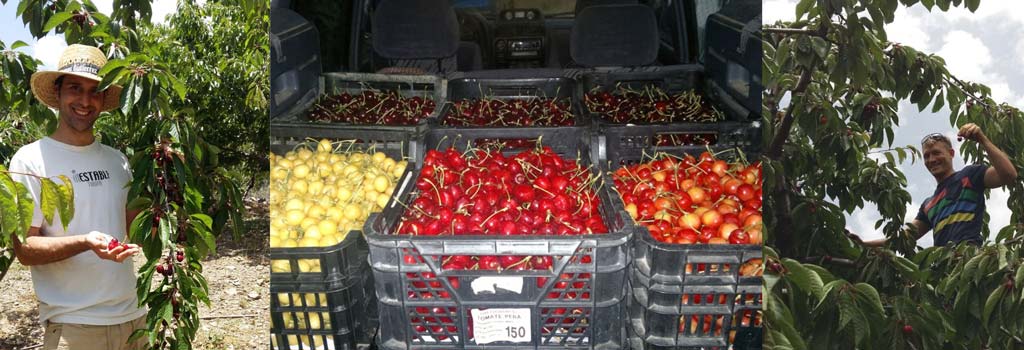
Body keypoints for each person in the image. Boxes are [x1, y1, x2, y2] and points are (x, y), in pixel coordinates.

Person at [9, 44, 146, 350]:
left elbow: (137, 227)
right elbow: (25, 249)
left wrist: (165, 188)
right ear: (57, 94)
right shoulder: (30, 161)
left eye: (94, 91)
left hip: (135, 318)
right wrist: (85, 242)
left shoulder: (118, 160)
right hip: (74, 325)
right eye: (74, 88)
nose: (85, 101)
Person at [863, 123, 1017, 247]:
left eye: (936, 153)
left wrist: (983, 140)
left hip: (969, 258)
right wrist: (863, 244)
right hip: (943, 270)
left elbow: (1009, 175)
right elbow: (902, 239)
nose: (931, 159)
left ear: (951, 153)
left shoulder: (970, 175)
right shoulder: (928, 204)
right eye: (927, 156)